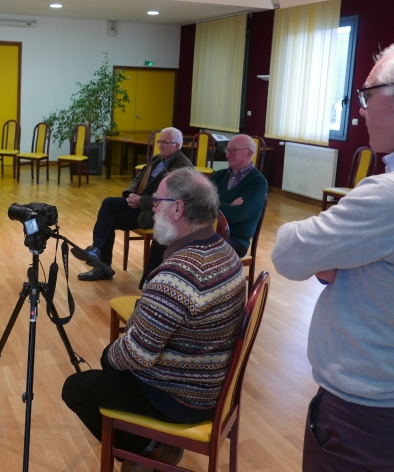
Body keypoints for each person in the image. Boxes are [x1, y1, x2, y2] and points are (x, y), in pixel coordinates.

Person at [271, 35, 394, 472]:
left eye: (367, 95)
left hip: (369, 420)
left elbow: (288, 251)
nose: (360, 109)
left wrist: (346, 261)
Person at [62, 168, 245, 472]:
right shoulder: (226, 253)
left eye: (157, 202)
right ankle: (148, 444)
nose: (153, 208)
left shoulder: (177, 274)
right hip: (213, 383)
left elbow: (137, 354)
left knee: (77, 387)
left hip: (180, 397)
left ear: (178, 208)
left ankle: (149, 449)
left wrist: (108, 356)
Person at [141, 133, 268, 286]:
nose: (227, 155)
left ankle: (180, 288)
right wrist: (227, 204)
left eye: (233, 151)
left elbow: (237, 214)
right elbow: (198, 203)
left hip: (233, 240)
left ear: (249, 153)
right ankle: (150, 287)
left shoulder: (258, 182)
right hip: (205, 232)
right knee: (163, 238)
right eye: (227, 150)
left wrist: (214, 203)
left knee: (188, 249)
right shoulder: (220, 175)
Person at [74, 127, 192, 281]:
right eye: (159, 141)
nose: (160, 145)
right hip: (139, 201)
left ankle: (102, 266)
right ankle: (96, 250)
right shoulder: (157, 159)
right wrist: (130, 194)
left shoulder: (183, 168)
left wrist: (140, 201)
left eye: (165, 142)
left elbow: (170, 199)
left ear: (177, 145)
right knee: (108, 203)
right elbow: (138, 178)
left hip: (156, 212)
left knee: (108, 220)